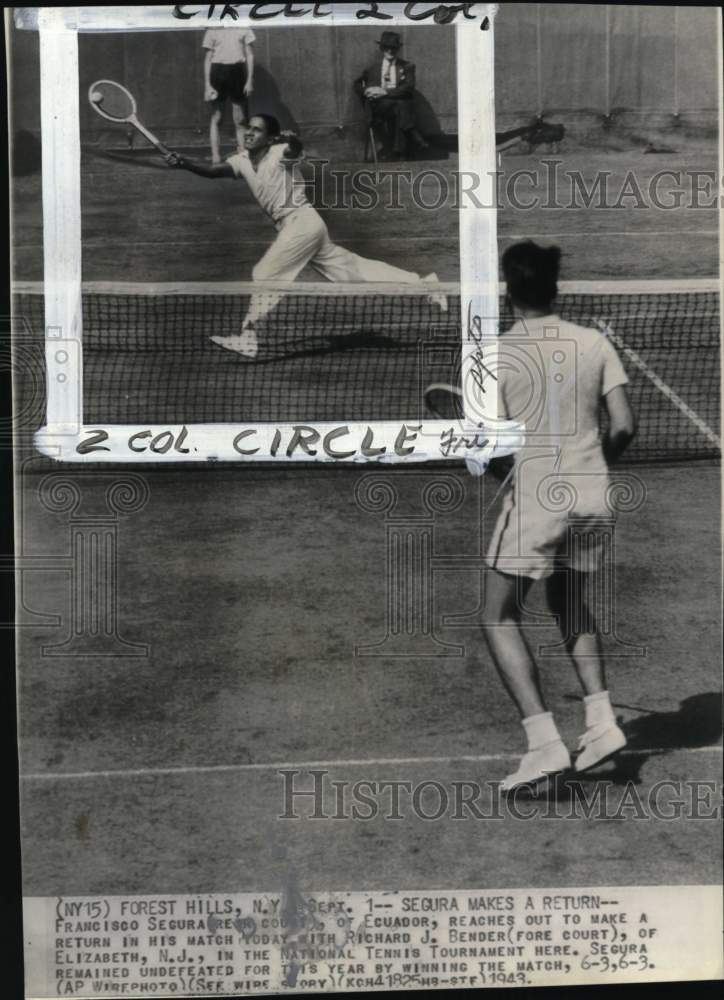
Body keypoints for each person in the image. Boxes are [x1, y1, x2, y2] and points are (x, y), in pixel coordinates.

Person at [483, 241, 636, 791]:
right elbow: (622, 426)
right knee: (569, 600)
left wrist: (493, 465)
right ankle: (600, 722)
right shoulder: (595, 343)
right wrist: (591, 469)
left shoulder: (495, 354)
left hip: (539, 504)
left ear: (508, 290)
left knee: (497, 617)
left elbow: (490, 448)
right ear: (555, 288)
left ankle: (544, 743)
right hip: (595, 499)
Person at [164, 114, 446, 358]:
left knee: (264, 273)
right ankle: (424, 286)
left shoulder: (281, 153)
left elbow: (294, 150)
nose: (249, 132)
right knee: (353, 273)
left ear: (271, 137)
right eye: (247, 128)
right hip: (301, 227)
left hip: (301, 222)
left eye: (257, 130)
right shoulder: (240, 160)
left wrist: (294, 140)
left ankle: (248, 337)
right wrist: (184, 163)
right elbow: (213, 171)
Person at [354, 31, 429, 160]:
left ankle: (396, 151)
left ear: (398, 49)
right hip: (378, 108)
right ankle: (412, 133)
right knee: (401, 105)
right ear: (381, 48)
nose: (390, 50)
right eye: (386, 47)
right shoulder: (372, 68)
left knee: (399, 105)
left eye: (393, 48)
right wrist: (367, 90)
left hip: (396, 106)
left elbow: (409, 87)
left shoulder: (407, 66)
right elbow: (357, 84)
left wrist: (385, 92)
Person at [202, 27, 255, 164]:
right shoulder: (212, 29)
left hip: (238, 72)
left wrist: (249, 81)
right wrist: (208, 85)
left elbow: (249, 54)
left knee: (240, 119)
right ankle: (216, 156)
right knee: (217, 117)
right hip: (218, 72)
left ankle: (243, 155)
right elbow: (207, 59)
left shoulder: (243, 26)